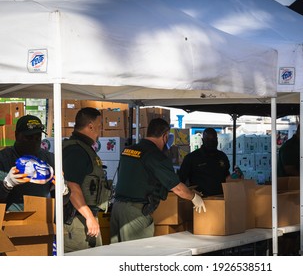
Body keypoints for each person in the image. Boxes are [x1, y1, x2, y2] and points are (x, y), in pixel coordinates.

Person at [110, 118, 206, 243]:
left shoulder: (128, 151)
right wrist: (194, 197)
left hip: (117, 208)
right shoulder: (155, 156)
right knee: (138, 256)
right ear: (165, 136)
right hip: (135, 214)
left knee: (117, 255)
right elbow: (176, 187)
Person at [62, 107, 110, 253]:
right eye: (99, 125)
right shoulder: (76, 151)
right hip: (77, 221)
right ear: (90, 126)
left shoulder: (82, 148)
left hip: (83, 219)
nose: (100, 130)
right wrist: (89, 217)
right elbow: (71, 186)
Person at [0, 115, 59, 211]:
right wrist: (6, 185)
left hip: (40, 218)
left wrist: (64, 191)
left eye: (37, 137)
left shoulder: (49, 159)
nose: (33, 142)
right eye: (29, 137)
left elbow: (60, 201)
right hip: (11, 219)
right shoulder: (3, 159)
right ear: (16, 135)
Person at [277, 120, 303, 255]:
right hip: (289, 193)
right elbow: (289, 169)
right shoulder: (289, 147)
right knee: (290, 232)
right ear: (301, 132)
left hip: (302, 191)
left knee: (300, 230)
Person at [178, 128, 230, 196]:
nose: (211, 142)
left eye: (214, 139)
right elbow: (180, 181)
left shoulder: (222, 156)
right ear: (203, 140)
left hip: (220, 198)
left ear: (217, 140)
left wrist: (236, 177)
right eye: (208, 139)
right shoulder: (192, 158)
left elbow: (227, 177)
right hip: (200, 200)